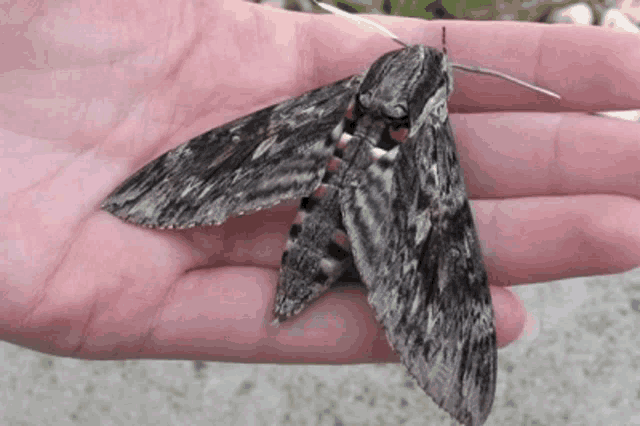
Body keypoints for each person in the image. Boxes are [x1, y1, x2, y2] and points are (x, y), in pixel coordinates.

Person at [2, 0, 639, 362]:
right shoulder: (433, 141)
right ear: (438, 104)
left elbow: (210, 162)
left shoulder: (340, 98)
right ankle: (439, 344)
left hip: (317, 173)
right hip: (349, 216)